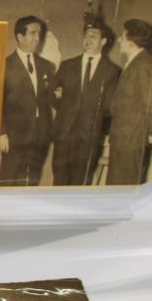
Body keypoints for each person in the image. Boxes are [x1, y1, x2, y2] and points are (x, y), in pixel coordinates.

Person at [51, 16, 121, 185]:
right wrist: (60, 99)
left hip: (89, 136)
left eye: (93, 36)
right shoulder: (67, 66)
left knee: (80, 180)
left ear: (103, 41)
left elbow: (109, 108)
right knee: (59, 180)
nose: (88, 40)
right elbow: (52, 96)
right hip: (64, 134)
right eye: (86, 36)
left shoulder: (111, 71)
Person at [0, 16, 56, 185]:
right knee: (9, 176)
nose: (37, 38)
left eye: (39, 33)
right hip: (14, 133)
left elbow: (51, 99)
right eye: (33, 33)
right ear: (20, 36)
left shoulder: (47, 66)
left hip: (41, 133)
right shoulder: (4, 65)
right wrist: (1, 133)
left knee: (33, 177)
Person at [108, 19, 152, 185]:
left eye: (122, 36)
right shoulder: (135, 62)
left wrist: (151, 133)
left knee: (124, 186)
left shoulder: (143, 65)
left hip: (131, 139)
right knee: (116, 186)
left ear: (132, 42)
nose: (119, 40)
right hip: (123, 138)